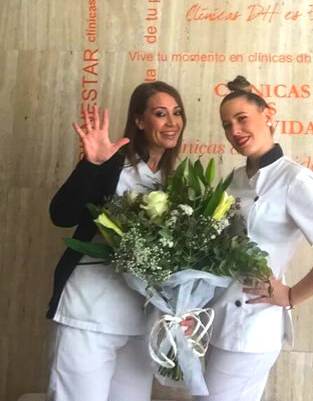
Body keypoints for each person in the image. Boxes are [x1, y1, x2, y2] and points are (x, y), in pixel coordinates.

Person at [196, 76, 313, 401]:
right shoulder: (235, 179)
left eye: (242, 119)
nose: (235, 131)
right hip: (219, 318)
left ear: (268, 115)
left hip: (253, 326)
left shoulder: (293, 178)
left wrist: (291, 295)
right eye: (227, 125)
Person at [45, 81, 186, 401]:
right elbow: (61, 215)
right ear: (139, 121)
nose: (171, 122)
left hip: (139, 323)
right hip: (88, 314)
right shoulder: (113, 164)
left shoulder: (173, 181)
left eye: (177, 113)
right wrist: (91, 165)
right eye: (160, 114)